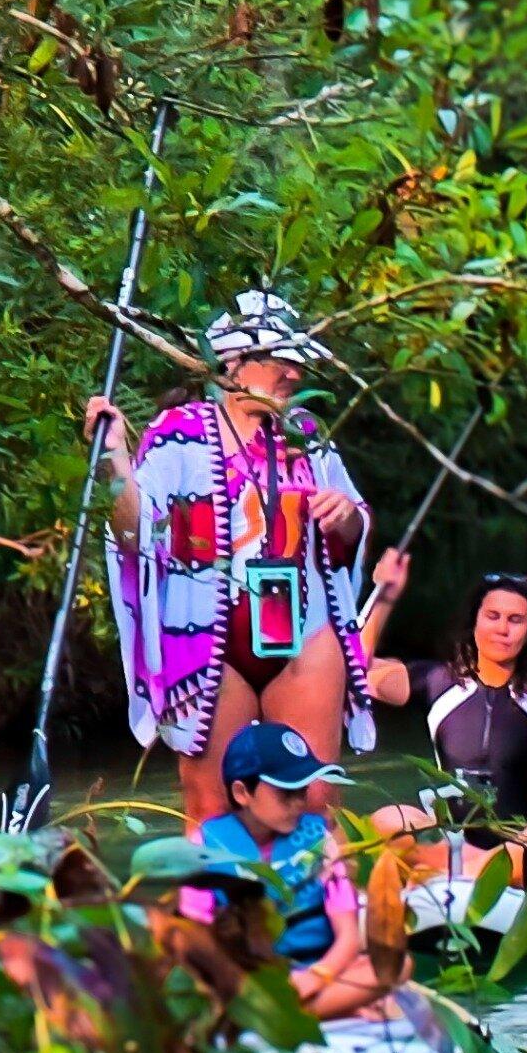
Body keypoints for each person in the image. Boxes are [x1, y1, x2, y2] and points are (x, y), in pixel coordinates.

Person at [90, 291, 375, 825]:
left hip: (304, 631)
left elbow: (353, 524)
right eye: (280, 359)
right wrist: (115, 462)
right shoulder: (180, 432)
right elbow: (135, 534)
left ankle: (320, 906)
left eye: (298, 360)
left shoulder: (307, 433)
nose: (294, 372)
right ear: (234, 363)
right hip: (208, 640)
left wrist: (347, 517)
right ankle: (220, 908)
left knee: (315, 803)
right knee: (211, 807)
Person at [358, 558, 527, 880]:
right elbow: (359, 669)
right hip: (450, 844)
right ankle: (476, 871)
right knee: (390, 819)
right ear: (475, 622)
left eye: (516, 619)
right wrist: (385, 597)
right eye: (493, 616)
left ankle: (480, 874)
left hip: (522, 844)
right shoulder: (436, 682)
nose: (503, 629)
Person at [181, 722, 395, 1020]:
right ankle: (319, 1011)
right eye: (286, 792)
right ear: (242, 793)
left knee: (396, 966)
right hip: (251, 983)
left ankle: (296, 1014)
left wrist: (316, 978)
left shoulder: (321, 842)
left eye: (303, 790)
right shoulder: (203, 848)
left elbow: (347, 935)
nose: (298, 803)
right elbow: (195, 940)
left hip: (320, 974)